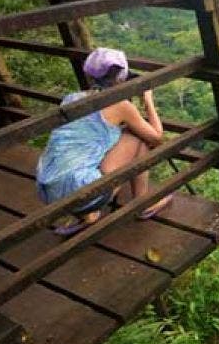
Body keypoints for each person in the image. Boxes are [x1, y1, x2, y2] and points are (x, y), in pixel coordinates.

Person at [36, 47, 173, 235]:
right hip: (83, 193)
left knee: (91, 149)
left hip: (49, 190)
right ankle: (143, 203)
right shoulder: (120, 105)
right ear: (120, 78)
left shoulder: (71, 99)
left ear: (89, 76)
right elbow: (157, 138)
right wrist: (148, 99)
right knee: (137, 139)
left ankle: (87, 216)